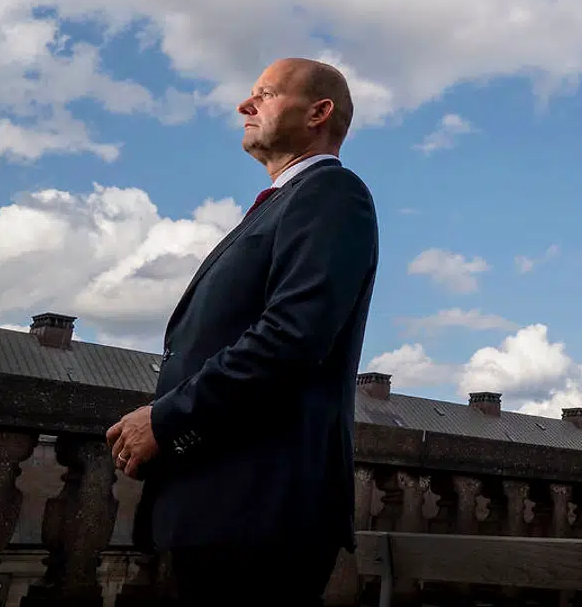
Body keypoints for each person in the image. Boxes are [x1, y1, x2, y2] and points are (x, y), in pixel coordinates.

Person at [106, 57, 379, 606]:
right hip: (223, 503)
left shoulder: (331, 194)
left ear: (318, 112)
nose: (244, 105)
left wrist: (165, 419)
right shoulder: (284, 202)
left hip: (261, 509)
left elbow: (289, 339)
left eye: (266, 93)